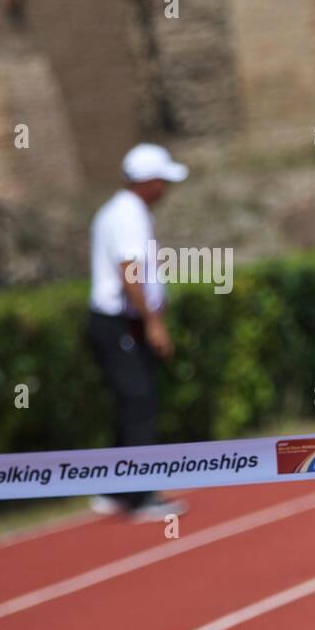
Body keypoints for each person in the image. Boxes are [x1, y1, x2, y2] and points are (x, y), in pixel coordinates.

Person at [85, 143, 188, 522]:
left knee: (132, 404)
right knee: (139, 404)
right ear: (146, 182)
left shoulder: (125, 210)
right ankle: (141, 495)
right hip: (119, 324)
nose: (165, 189)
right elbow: (129, 271)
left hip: (120, 323)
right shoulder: (127, 213)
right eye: (161, 180)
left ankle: (116, 488)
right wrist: (153, 322)